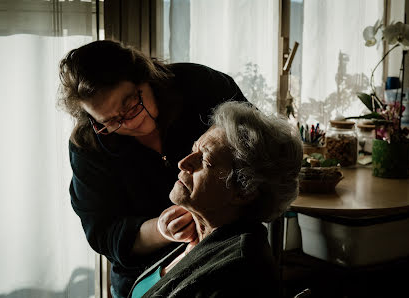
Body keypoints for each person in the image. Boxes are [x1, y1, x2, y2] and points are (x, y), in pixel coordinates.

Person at [56, 40, 248, 297]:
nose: (129, 123)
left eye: (130, 106)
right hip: (143, 276)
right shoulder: (89, 145)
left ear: (145, 77)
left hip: (227, 249)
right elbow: (103, 231)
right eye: (110, 121)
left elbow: (256, 149)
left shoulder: (201, 86)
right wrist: (160, 229)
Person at [126, 101, 303, 297]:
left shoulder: (237, 272)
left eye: (205, 160)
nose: (183, 163)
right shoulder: (199, 235)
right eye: (194, 150)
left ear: (244, 191)